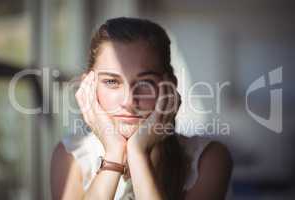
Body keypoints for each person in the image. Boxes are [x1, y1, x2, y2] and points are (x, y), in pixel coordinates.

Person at [50, 17, 233, 200]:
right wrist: (114, 153)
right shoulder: (70, 156)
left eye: (145, 82)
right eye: (112, 82)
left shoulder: (209, 160)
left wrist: (138, 153)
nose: (129, 101)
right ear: (88, 87)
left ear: (169, 87)